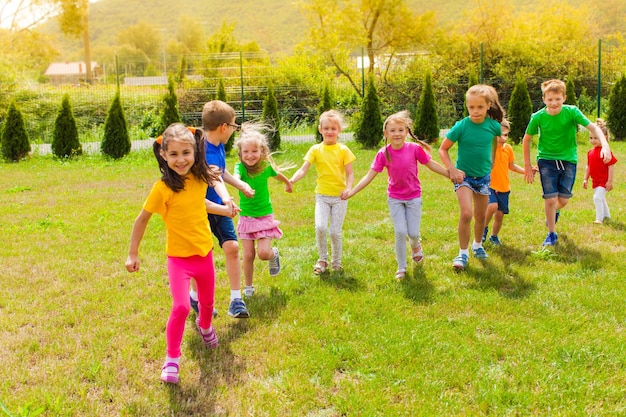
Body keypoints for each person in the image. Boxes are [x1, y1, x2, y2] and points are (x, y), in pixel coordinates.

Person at [125, 124, 233, 384]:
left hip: (203, 254)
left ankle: (205, 327)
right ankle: (171, 359)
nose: (181, 159)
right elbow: (142, 219)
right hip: (178, 259)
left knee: (207, 304)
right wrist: (132, 253)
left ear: (195, 151)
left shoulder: (198, 179)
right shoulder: (162, 188)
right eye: (173, 154)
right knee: (182, 306)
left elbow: (200, 203)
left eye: (186, 152)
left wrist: (224, 209)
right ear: (163, 155)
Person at [343, 111, 450, 279]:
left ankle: (416, 246)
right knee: (400, 231)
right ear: (386, 134)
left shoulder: (414, 149)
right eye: (392, 130)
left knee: (413, 233)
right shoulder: (383, 153)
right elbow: (369, 176)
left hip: (414, 197)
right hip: (395, 199)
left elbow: (431, 164)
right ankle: (401, 267)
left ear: (406, 132)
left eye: (400, 130)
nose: (397, 134)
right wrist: (352, 191)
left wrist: (450, 174)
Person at [523, 79, 612, 246]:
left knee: (563, 200)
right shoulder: (538, 117)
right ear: (544, 100)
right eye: (550, 99)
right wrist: (527, 165)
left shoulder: (572, 112)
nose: (554, 103)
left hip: (568, 161)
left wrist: (605, 145)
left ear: (564, 98)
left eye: (557, 99)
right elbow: (526, 139)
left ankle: (552, 212)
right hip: (546, 160)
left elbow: (593, 128)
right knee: (550, 199)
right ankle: (551, 233)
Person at [189, 100, 255, 319]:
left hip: (219, 204)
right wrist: (227, 200)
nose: (235, 130)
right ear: (223, 127)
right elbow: (213, 175)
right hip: (201, 208)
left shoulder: (218, 146)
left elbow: (221, 172)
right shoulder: (200, 149)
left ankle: (236, 300)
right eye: (235, 126)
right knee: (200, 254)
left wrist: (240, 184)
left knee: (232, 247)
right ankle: (195, 297)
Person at [439, 84, 504, 271]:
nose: (475, 111)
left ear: (488, 106)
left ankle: (477, 245)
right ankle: (462, 253)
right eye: (471, 107)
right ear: (467, 106)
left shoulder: (493, 126)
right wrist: (451, 169)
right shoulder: (462, 126)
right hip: (464, 177)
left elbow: (495, 140)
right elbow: (443, 149)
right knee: (467, 213)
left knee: (481, 215)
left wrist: (492, 159)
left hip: (483, 178)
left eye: (480, 107)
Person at [290, 110, 355, 274]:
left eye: (333, 128)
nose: (329, 131)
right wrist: (291, 180)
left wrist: (348, 189)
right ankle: (322, 259)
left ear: (339, 130)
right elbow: (303, 169)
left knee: (334, 232)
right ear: (320, 129)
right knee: (320, 227)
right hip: (322, 197)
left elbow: (350, 173)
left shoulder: (344, 150)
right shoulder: (315, 150)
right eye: (326, 128)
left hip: (340, 197)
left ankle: (336, 262)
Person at [233, 123, 293, 295]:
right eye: (246, 152)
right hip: (246, 217)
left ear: (261, 151)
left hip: (264, 216)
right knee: (249, 254)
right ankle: (249, 287)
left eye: (254, 151)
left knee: (263, 253)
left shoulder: (265, 167)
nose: (250, 155)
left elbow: (277, 174)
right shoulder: (240, 168)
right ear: (240, 153)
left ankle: (273, 254)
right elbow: (236, 177)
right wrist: (242, 184)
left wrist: (288, 182)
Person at [481, 119, 526, 246]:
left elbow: (512, 166)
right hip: (489, 185)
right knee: (492, 206)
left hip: (504, 187)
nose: (502, 138)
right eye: (499, 135)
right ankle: (483, 229)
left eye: (505, 135)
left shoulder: (508, 149)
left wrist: (526, 171)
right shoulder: (488, 149)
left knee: (499, 215)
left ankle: (494, 237)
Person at [582, 118, 617, 224]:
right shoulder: (590, 152)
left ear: (604, 138)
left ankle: (599, 219)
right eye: (591, 138)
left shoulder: (606, 152)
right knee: (601, 198)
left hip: (604, 180)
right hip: (596, 181)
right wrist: (585, 179)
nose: (592, 140)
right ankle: (607, 215)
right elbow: (588, 166)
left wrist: (610, 181)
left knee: (597, 197)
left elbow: (611, 166)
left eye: (596, 138)